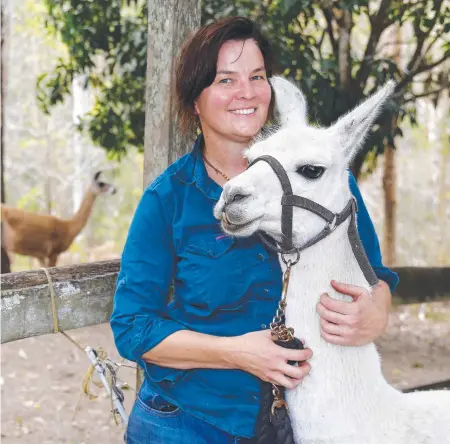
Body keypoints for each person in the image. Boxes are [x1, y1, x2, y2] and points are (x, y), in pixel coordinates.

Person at [110, 16, 399, 444]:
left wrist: (376, 312)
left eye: (257, 76)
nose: (246, 92)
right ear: (195, 100)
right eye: (225, 80)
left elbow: (375, 275)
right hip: (186, 422)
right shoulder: (170, 198)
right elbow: (132, 326)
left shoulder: (321, 178)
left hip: (295, 423)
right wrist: (237, 353)